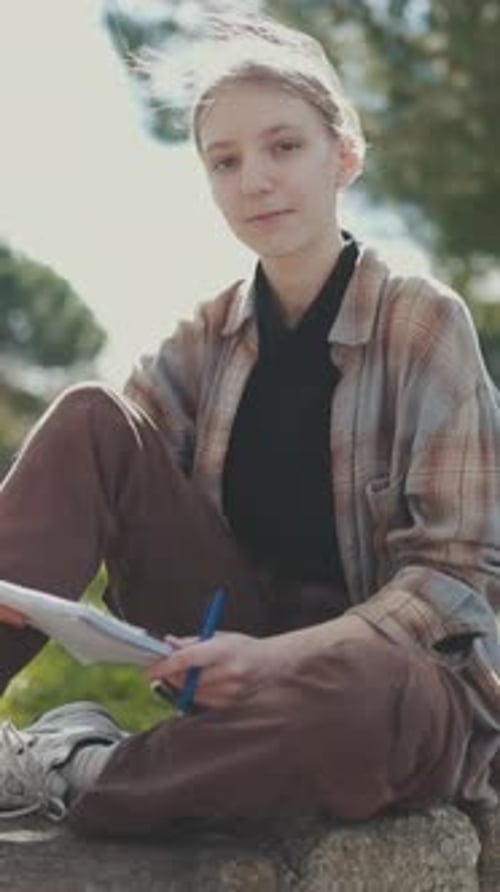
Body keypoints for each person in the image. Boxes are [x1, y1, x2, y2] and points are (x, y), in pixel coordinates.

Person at [0, 12, 499, 838]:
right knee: (90, 416)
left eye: (283, 148)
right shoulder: (201, 337)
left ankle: (74, 766)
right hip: (228, 648)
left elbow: (453, 579)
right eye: (223, 162)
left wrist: (277, 660)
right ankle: (171, 758)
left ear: (345, 155)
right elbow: (111, 492)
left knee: (349, 709)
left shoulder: (423, 323)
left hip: (387, 684)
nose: (254, 181)